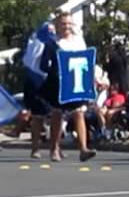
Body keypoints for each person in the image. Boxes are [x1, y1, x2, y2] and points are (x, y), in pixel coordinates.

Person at [38, 12, 98, 162]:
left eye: (69, 23)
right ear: (57, 25)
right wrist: (55, 72)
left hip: (76, 82)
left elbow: (86, 62)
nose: (66, 26)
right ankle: (54, 149)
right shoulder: (52, 43)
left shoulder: (79, 42)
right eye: (63, 23)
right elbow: (43, 65)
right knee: (58, 115)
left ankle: (83, 148)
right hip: (58, 84)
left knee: (79, 113)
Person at [20, 21, 56, 159]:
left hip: (51, 82)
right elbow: (34, 63)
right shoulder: (36, 44)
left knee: (56, 116)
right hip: (37, 83)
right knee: (38, 116)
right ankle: (35, 148)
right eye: (50, 31)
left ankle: (55, 147)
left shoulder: (53, 42)